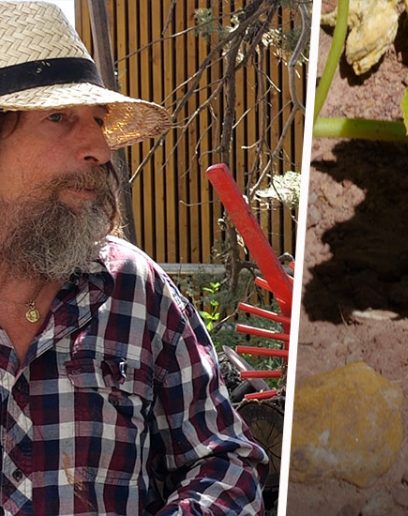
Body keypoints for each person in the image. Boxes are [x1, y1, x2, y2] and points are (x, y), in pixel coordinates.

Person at [0, 1, 268, 514]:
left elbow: (225, 462)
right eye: (59, 117)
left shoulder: (133, 289)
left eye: (98, 121)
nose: (99, 147)